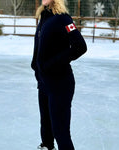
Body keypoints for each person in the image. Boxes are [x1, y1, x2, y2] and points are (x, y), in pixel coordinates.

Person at [31, 0, 87, 149]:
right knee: (46, 126)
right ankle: (47, 146)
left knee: (60, 131)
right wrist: (36, 66)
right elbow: (39, 46)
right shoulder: (44, 16)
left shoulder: (63, 18)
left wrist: (52, 64)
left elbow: (80, 46)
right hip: (44, 82)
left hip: (60, 83)